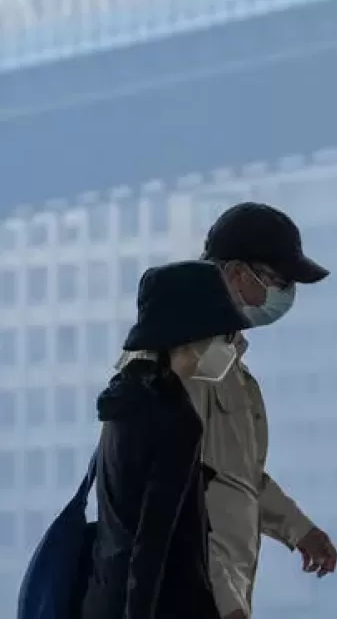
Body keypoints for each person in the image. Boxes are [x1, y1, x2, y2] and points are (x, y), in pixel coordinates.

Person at [189, 202, 337, 619]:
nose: (285, 295)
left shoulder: (226, 363)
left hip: (220, 595)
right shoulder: (187, 360)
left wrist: (298, 530)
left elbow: (235, 475)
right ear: (238, 274)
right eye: (278, 281)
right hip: (192, 594)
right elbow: (176, 493)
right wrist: (224, 604)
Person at [81, 261, 252, 619]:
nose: (232, 346)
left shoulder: (122, 402)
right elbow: (152, 544)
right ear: (192, 336)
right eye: (224, 335)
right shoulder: (175, 420)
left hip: (104, 600)